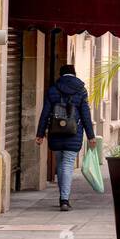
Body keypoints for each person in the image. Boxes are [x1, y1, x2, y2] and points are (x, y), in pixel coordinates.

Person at [36, 64, 97, 211]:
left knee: (61, 163)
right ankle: (64, 198)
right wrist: (91, 136)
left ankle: (63, 196)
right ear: (74, 74)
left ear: (61, 74)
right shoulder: (81, 90)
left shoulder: (53, 90)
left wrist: (40, 133)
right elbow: (85, 114)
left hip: (56, 132)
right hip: (73, 133)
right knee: (68, 164)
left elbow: (45, 113)